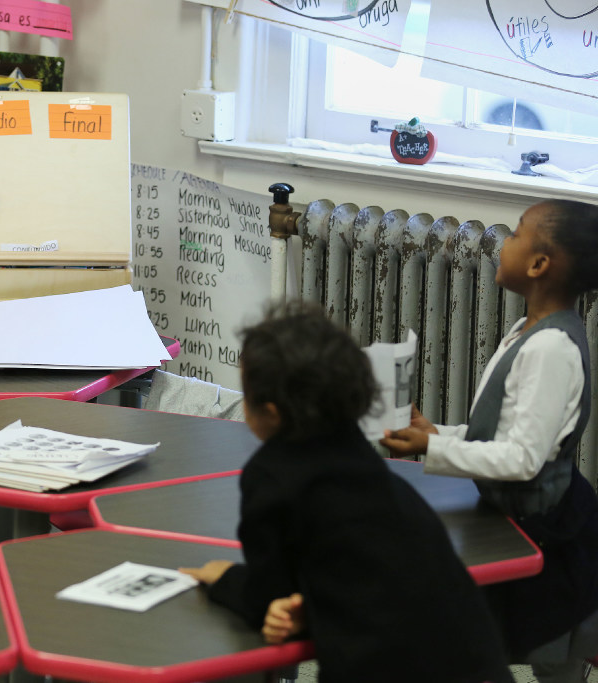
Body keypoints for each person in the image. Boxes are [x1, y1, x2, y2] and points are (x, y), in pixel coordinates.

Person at [179, 302, 513, 683]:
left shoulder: (271, 477)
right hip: (477, 660)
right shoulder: (360, 457)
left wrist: (224, 578)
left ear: (270, 412)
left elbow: (266, 599)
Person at [381, 199, 598, 683]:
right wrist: (436, 433)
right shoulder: (527, 331)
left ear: (540, 265)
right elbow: (505, 435)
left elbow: (522, 460)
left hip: (549, 531)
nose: (506, 242)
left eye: (517, 233)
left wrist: (432, 448)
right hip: (518, 519)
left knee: (553, 658)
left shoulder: (550, 349)